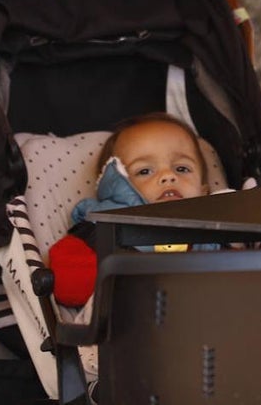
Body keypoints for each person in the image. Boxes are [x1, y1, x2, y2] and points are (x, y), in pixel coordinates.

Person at [48, 112, 215, 307]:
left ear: (204, 190)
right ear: (116, 182)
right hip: (134, 325)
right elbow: (66, 283)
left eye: (182, 169)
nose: (168, 176)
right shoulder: (101, 228)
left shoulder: (221, 228)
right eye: (145, 171)